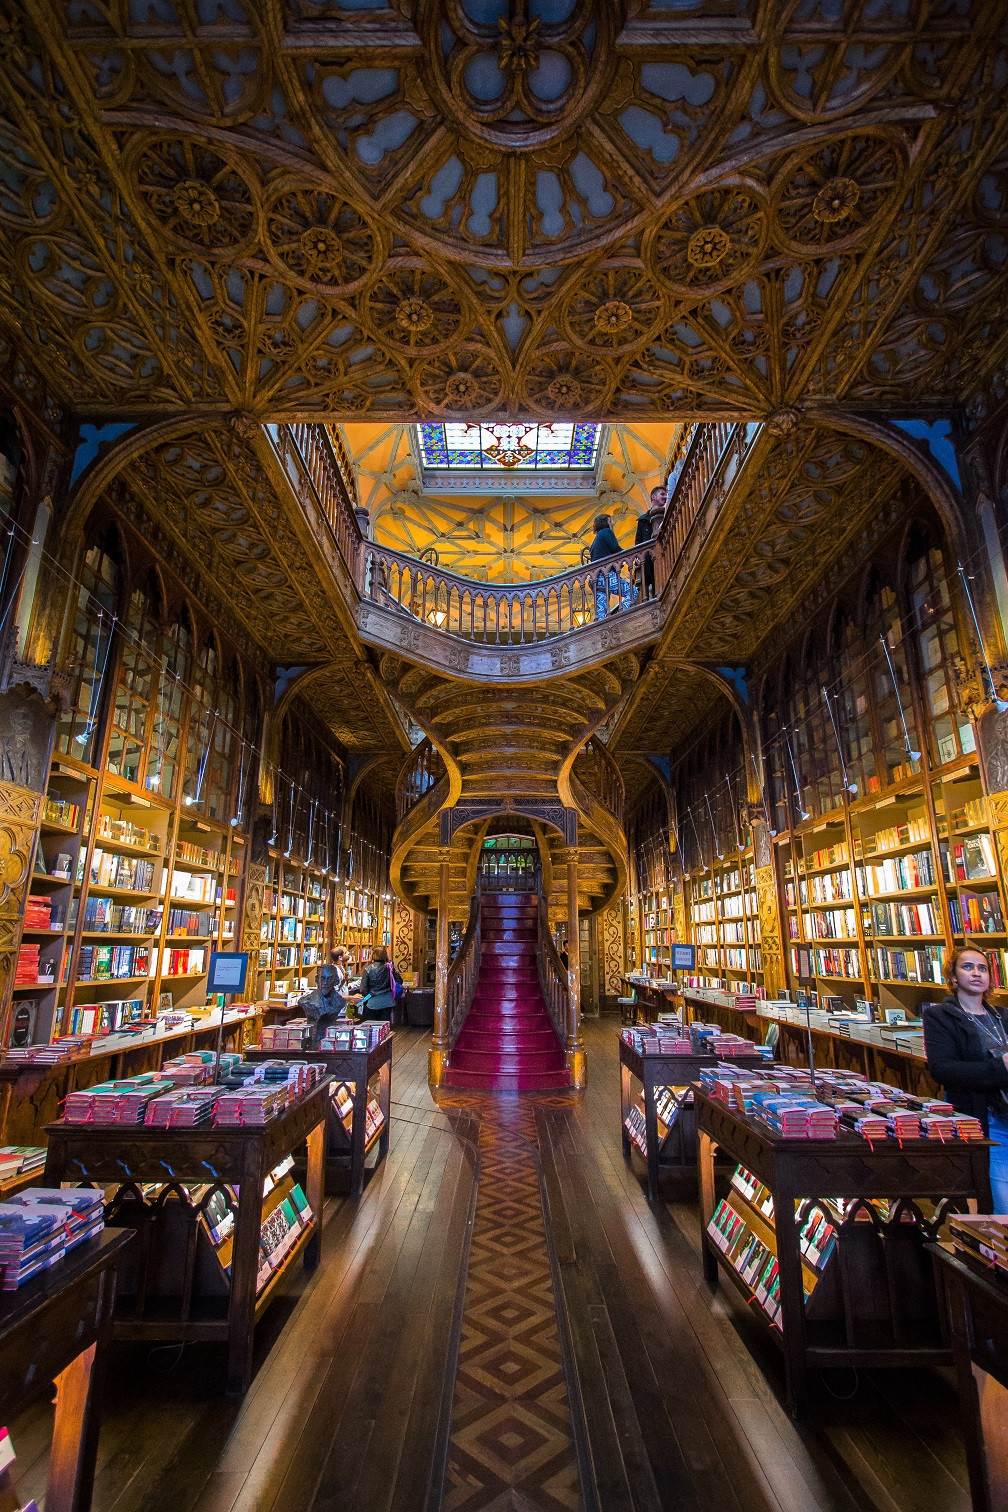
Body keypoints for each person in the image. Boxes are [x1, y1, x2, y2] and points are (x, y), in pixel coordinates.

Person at [923, 945, 1008, 1212]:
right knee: (1001, 1199)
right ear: (953, 977)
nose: (976, 973)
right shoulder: (940, 1016)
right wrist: (1000, 1067)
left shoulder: (1003, 1017)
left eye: (982, 968)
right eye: (967, 967)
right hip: (985, 1117)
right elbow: (943, 1069)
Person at [298, 962, 361, 1048]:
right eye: (322, 978)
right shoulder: (306, 1001)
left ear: (336, 981)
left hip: (330, 1042)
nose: (325, 983)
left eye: (329, 979)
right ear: (317, 980)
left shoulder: (339, 1002)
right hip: (312, 1041)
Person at [589, 513, 625, 619]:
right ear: (605, 523)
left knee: (601, 613)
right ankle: (623, 618)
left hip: (596, 578)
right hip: (606, 575)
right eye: (610, 522)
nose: (612, 524)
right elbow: (615, 549)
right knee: (633, 592)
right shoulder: (606, 532)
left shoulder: (595, 540)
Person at [356, 945, 403, 1023]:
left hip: (372, 1000)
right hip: (387, 1000)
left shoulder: (368, 969)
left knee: (369, 1025)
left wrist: (366, 997)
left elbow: (363, 989)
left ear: (374, 955)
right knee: (384, 1026)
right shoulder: (390, 967)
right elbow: (399, 981)